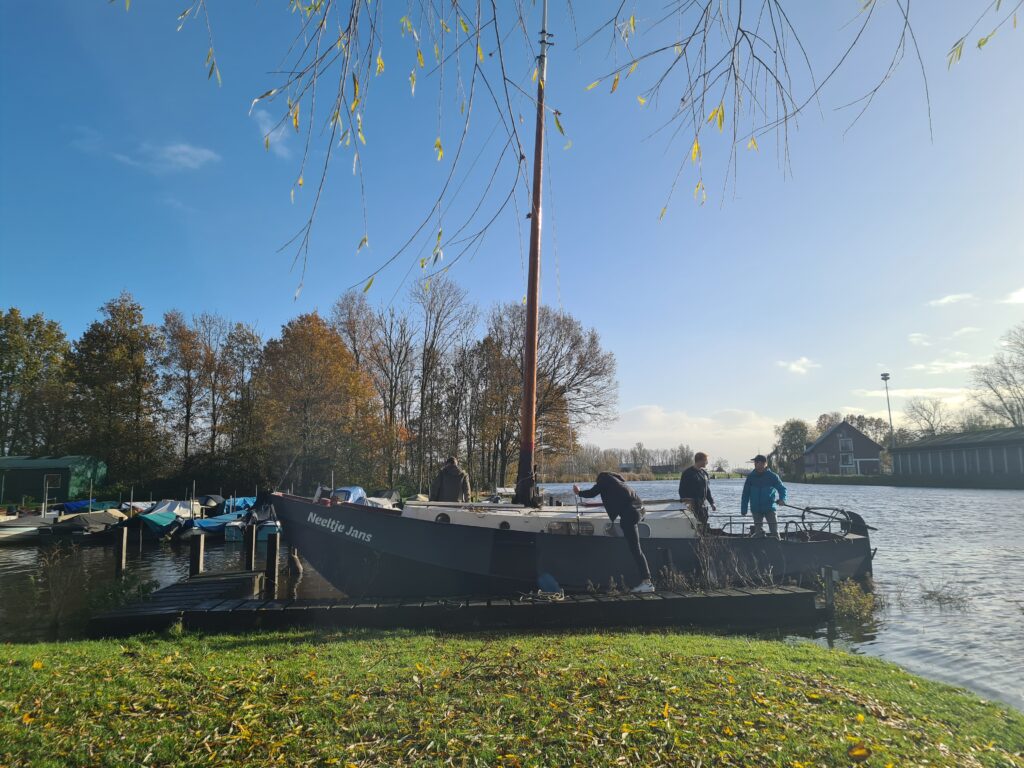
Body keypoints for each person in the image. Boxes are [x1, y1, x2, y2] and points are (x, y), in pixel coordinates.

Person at [573, 472, 654, 593]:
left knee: (635, 550)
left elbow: (592, 493)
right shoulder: (619, 482)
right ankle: (647, 582)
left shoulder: (604, 481)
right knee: (637, 550)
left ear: (600, 479)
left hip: (630, 514)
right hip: (640, 510)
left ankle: (647, 583)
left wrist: (578, 492)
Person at [740, 454, 787, 539]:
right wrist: (744, 509)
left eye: (759, 463)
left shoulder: (773, 476)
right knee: (758, 533)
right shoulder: (750, 477)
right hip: (756, 509)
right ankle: (759, 545)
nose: (757, 464)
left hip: (769, 508)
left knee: (774, 531)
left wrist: (782, 499)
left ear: (765, 464)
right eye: (756, 462)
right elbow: (745, 494)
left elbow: (782, 489)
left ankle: (778, 544)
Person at [678, 451, 717, 525]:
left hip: (703, 506)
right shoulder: (687, 473)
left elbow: (707, 490)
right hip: (692, 506)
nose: (707, 462)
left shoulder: (704, 473)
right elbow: (681, 490)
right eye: (705, 460)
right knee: (693, 526)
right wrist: (686, 503)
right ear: (699, 460)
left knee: (703, 524)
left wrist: (712, 503)